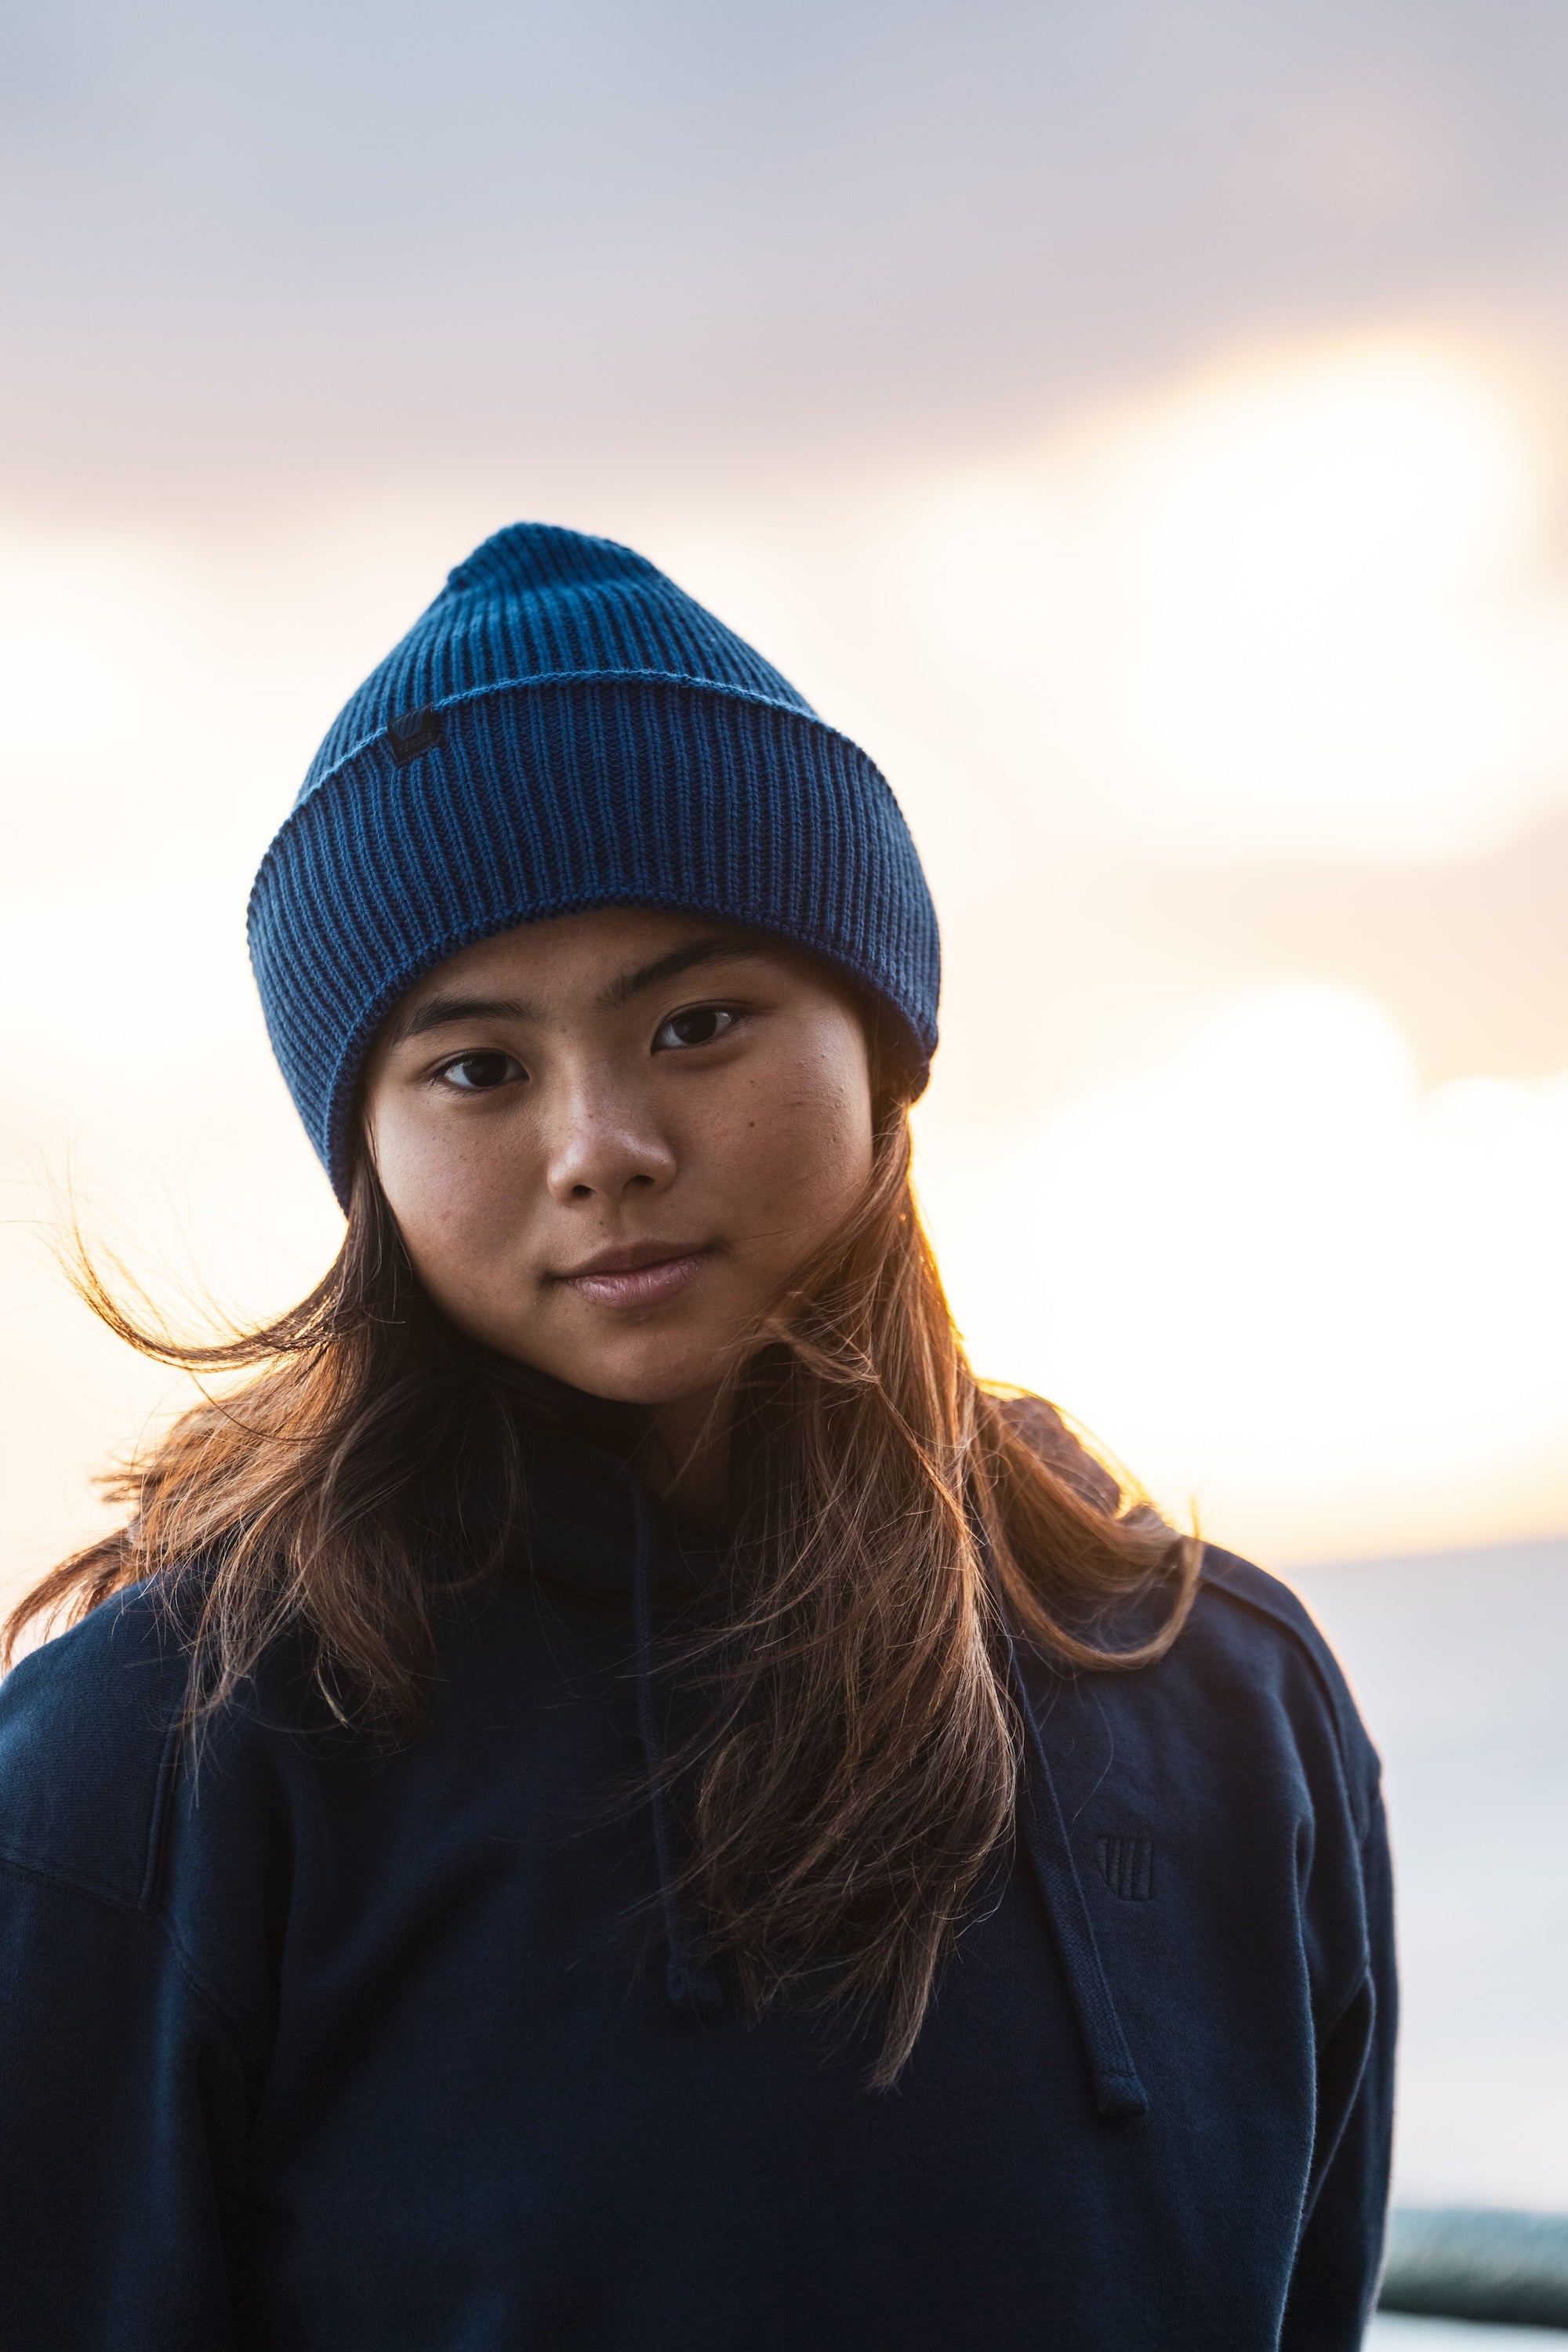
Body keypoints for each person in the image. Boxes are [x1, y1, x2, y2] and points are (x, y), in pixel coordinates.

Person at [0, 524, 1393, 2350]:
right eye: (477, 1067)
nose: (601, 1145)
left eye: (700, 1021)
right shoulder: (164, 1755)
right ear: (371, 1158)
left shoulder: (1223, 1695)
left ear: (882, 1051)